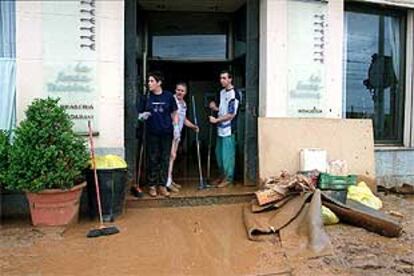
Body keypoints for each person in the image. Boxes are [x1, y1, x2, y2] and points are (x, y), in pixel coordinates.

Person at [138, 71, 180, 197]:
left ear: (159, 83)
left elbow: (174, 113)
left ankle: (162, 185)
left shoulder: (168, 96)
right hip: (152, 133)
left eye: (152, 81)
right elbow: (139, 113)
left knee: (165, 158)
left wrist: (176, 126)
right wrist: (141, 116)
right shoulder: (146, 97)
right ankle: (152, 185)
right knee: (153, 158)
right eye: (149, 81)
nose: (149, 84)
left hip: (167, 132)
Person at [208, 70, 240, 188]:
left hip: (229, 130)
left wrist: (216, 120)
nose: (222, 80)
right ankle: (222, 176)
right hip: (220, 129)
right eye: (221, 78)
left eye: (224, 78)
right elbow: (222, 109)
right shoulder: (221, 92)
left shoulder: (234, 94)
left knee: (228, 155)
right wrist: (214, 107)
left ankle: (229, 178)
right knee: (219, 154)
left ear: (230, 79)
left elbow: (231, 114)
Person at [166, 82, 199, 193]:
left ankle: (170, 179)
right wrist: (174, 128)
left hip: (177, 134)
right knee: (171, 156)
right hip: (170, 132)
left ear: (185, 93)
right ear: (175, 90)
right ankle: (167, 182)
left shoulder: (184, 104)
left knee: (173, 157)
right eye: (178, 90)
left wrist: (194, 126)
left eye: (182, 91)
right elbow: (171, 115)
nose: (179, 92)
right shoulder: (172, 100)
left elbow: (183, 119)